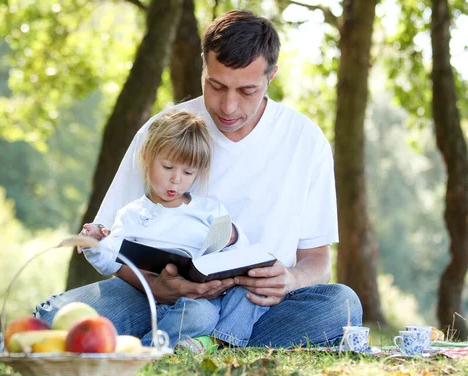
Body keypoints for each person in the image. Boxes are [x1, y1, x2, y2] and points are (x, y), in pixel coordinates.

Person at [34, 9, 363, 349]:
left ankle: (200, 340)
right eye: (216, 85)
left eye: (247, 91)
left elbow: (318, 261)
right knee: (48, 322)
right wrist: (155, 286)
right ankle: (200, 339)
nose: (229, 107)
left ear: (271, 77)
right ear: (203, 67)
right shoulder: (164, 131)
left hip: (256, 305)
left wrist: (291, 279)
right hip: (156, 297)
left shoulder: (305, 140)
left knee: (343, 304)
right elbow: (109, 243)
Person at [80, 109, 268, 349]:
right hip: (174, 301)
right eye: (168, 167)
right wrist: (94, 244)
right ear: (148, 157)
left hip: (216, 291)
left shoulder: (210, 210)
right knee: (201, 315)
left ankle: (219, 341)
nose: (176, 180)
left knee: (255, 292)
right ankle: (149, 350)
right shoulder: (132, 214)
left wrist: (233, 237)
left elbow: (233, 253)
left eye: (188, 172)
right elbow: (111, 259)